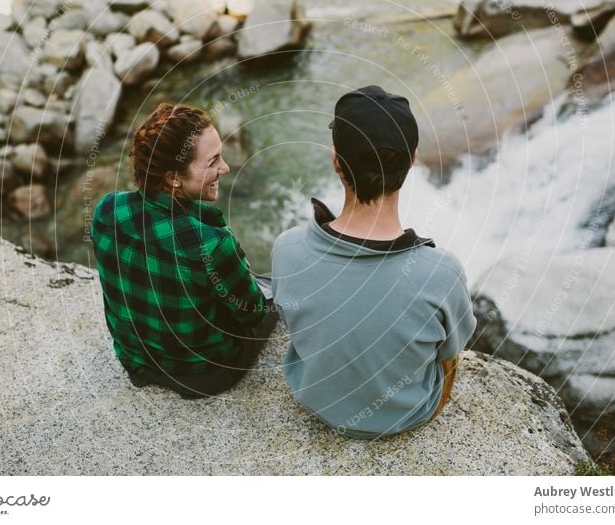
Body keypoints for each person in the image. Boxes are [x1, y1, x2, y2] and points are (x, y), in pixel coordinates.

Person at [271, 85, 476, 438]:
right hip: (407, 416)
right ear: (411, 162)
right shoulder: (440, 273)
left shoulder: (286, 248)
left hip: (315, 401)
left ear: (336, 160)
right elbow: (451, 350)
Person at [90, 102, 277, 399]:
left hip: (136, 361)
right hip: (202, 374)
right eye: (213, 161)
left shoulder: (107, 209)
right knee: (272, 296)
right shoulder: (211, 243)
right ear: (173, 178)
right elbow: (250, 316)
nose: (225, 168)